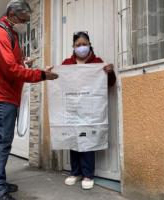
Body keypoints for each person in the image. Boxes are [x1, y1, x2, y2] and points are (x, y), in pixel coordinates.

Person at [0, 1, 58, 200]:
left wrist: (24, 63)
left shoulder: (10, 32)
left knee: (2, 143)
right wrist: (40, 75)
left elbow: (9, 64)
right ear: (12, 15)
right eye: (23, 19)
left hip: (6, 96)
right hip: (1, 96)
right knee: (1, 143)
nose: (24, 23)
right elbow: (10, 70)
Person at [62, 31, 116, 190]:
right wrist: (52, 71)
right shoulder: (66, 64)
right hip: (73, 108)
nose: (81, 47)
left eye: (84, 44)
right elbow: (58, 82)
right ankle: (75, 172)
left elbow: (110, 83)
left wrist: (110, 72)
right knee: (74, 140)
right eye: (78, 45)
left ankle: (88, 174)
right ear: (73, 47)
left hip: (90, 110)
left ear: (89, 44)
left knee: (88, 141)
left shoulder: (98, 62)